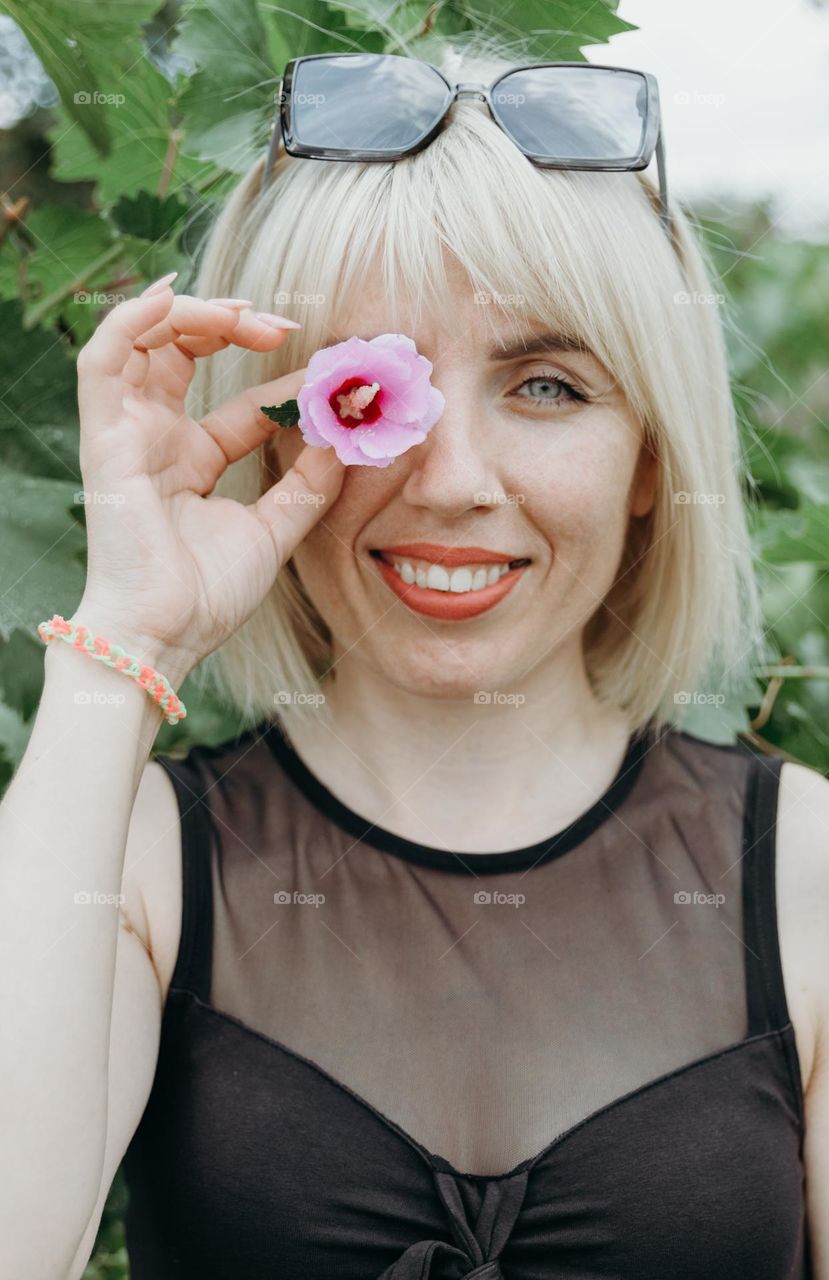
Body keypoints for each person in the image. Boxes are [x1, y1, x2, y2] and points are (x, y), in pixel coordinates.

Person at [1, 44, 827, 1280]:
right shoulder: (140, 863)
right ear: (272, 435)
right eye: (365, 386)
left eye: (546, 385)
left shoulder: (802, 865)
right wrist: (123, 644)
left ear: (650, 457)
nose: (451, 480)